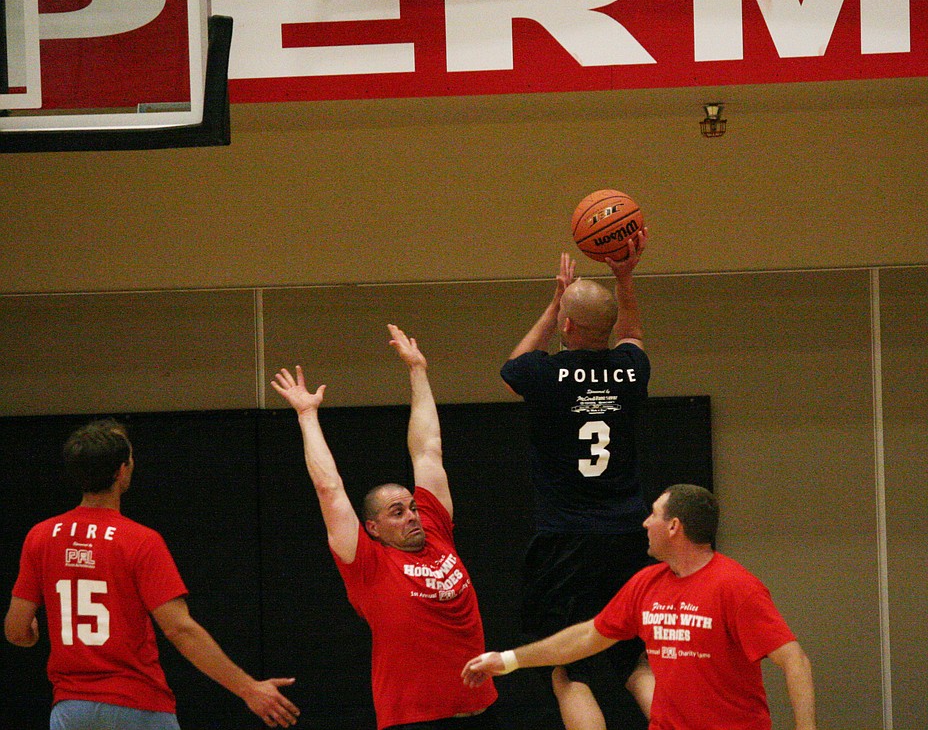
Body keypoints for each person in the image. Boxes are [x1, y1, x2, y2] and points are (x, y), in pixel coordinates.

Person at [4, 419, 300, 730]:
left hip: (70, 711)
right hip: (137, 707)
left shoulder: (41, 536)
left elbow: (16, 631)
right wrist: (248, 688)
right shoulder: (140, 540)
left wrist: (32, 634)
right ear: (121, 471)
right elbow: (180, 630)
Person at [271, 324, 498, 730]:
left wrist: (418, 371)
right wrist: (307, 415)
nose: (412, 515)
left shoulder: (436, 530)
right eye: (397, 512)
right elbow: (328, 487)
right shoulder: (367, 563)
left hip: (478, 709)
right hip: (415, 719)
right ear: (372, 527)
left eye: (411, 507)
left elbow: (428, 448)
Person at [462, 484, 817, 730]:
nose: (645, 522)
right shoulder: (647, 583)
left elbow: (795, 661)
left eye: (653, 515)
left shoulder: (736, 587)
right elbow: (586, 636)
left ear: (674, 526)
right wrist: (508, 660)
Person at [500, 232, 654, 729]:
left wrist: (552, 304)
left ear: (568, 323)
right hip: (629, 536)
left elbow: (513, 366)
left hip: (567, 539)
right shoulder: (632, 371)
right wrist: (624, 278)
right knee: (635, 662)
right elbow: (630, 334)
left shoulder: (546, 375)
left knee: (571, 670)